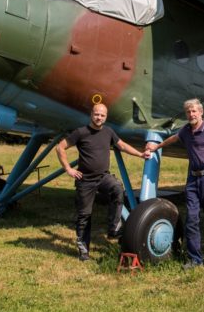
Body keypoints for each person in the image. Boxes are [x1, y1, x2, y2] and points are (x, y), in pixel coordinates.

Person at [145, 98, 204, 269]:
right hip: (192, 180)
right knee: (192, 219)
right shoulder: (185, 130)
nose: (191, 114)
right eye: (188, 112)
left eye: (194, 111)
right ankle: (195, 258)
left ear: (201, 112)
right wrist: (156, 147)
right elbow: (173, 139)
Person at [56, 103, 150, 261]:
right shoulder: (81, 132)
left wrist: (140, 154)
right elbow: (60, 148)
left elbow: (122, 145)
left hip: (103, 177)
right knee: (84, 215)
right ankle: (83, 251)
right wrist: (68, 168)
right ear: (91, 114)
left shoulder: (108, 132)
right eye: (96, 114)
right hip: (84, 179)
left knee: (117, 189)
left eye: (102, 115)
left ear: (106, 117)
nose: (99, 118)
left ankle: (113, 229)